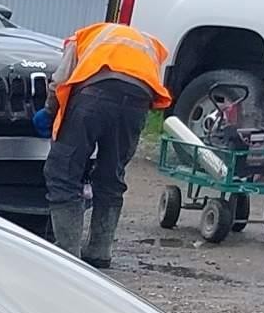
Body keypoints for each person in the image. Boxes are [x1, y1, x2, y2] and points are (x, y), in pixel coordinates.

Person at [40, 19, 171, 269]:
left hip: (93, 97)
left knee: (64, 172)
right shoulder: (148, 45)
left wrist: (48, 112)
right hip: (136, 104)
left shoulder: (80, 38)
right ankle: (100, 251)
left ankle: (68, 251)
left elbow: (60, 81)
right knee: (111, 176)